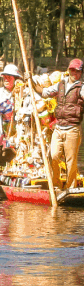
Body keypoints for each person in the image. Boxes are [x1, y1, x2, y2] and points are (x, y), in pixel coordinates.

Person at [42, 58, 83, 191]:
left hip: (73, 129)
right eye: (72, 70)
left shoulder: (81, 87)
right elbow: (45, 92)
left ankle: (70, 187)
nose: (74, 73)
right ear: (69, 70)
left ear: (81, 73)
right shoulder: (60, 84)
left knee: (71, 161)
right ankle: (56, 184)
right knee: (53, 156)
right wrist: (31, 82)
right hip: (59, 128)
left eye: (77, 71)